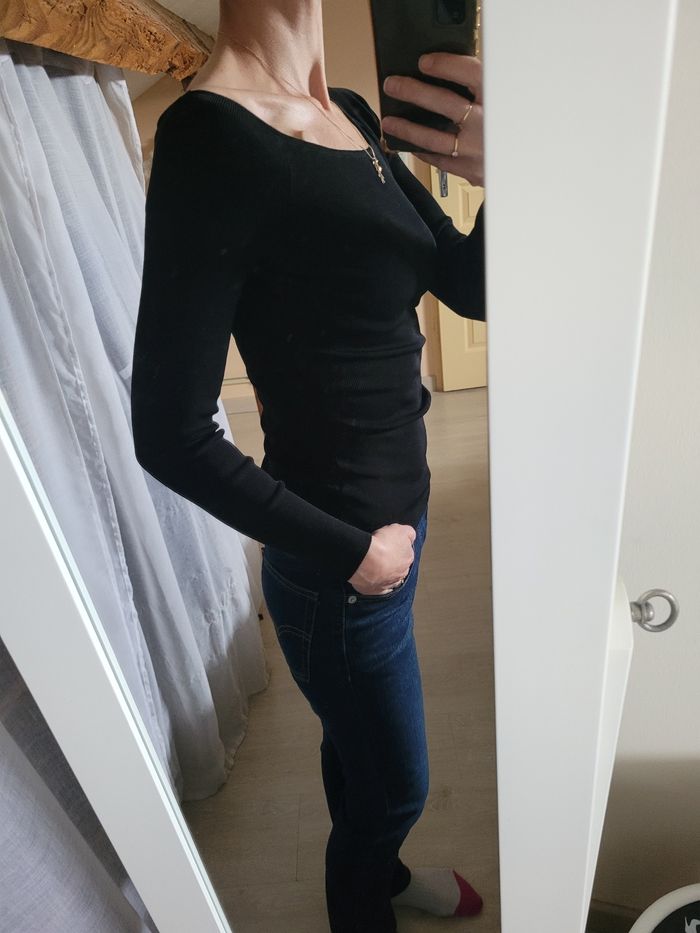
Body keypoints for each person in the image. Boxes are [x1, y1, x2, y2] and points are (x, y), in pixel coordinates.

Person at [130, 1, 486, 930]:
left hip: (396, 530)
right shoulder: (210, 137)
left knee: (357, 750)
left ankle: (382, 872)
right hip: (340, 572)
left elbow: (470, 285)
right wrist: (354, 554)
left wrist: (507, 176)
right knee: (396, 785)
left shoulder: (353, 116)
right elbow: (169, 433)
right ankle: (366, 895)